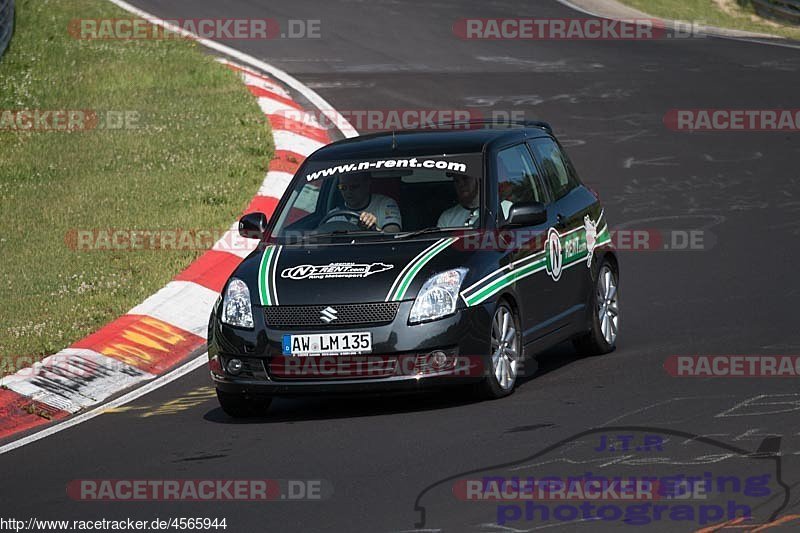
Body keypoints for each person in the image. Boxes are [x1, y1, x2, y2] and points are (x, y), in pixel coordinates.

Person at [327, 173, 402, 232]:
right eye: (343, 187)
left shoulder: (385, 204)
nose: (348, 192)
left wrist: (373, 229)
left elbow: (393, 233)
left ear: (367, 184)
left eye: (354, 186)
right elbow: (321, 237)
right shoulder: (334, 216)